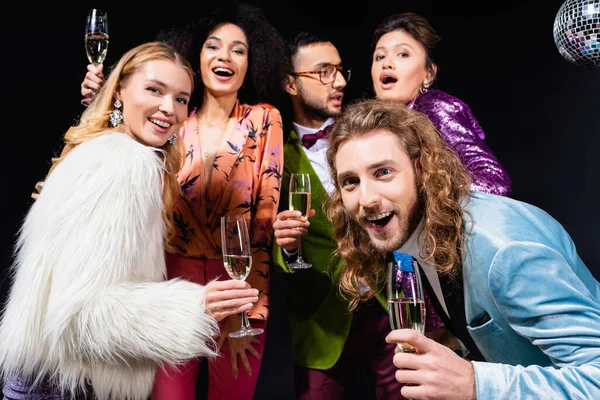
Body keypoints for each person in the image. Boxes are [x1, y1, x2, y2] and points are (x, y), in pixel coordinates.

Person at [0, 41, 260, 400]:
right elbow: (79, 316)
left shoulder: (101, 151)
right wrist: (196, 305)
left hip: (48, 378)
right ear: (120, 89)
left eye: (182, 99)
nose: (169, 109)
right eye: (155, 90)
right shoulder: (124, 164)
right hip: (66, 387)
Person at [325, 98, 600, 399]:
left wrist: (475, 383)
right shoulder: (417, 237)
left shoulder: (503, 250)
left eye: (383, 172)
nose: (366, 198)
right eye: (350, 182)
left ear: (420, 169)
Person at [81, 3, 286, 399]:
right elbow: (117, 142)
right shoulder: (172, 119)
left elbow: (263, 222)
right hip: (170, 282)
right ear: (199, 57)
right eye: (214, 46)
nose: (224, 56)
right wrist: (101, 96)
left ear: (250, 63)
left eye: (238, 49)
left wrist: (248, 312)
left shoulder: (264, 119)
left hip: (238, 283)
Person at [272, 31, 446, 400]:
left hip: (388, 300)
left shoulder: (366, 132)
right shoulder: (274, 152)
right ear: (290, 83)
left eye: (339, 70)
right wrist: (288, 249)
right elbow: (268, 240)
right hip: (323, 315)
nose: (338, 81)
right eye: (323, 72)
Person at [371, 12, 512, 196]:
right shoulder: (374, 127)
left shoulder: (433, 107)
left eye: (402, 54)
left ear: (428, 74)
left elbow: (495, 181)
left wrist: (424, 192)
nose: (387, 64)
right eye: (379, 57)